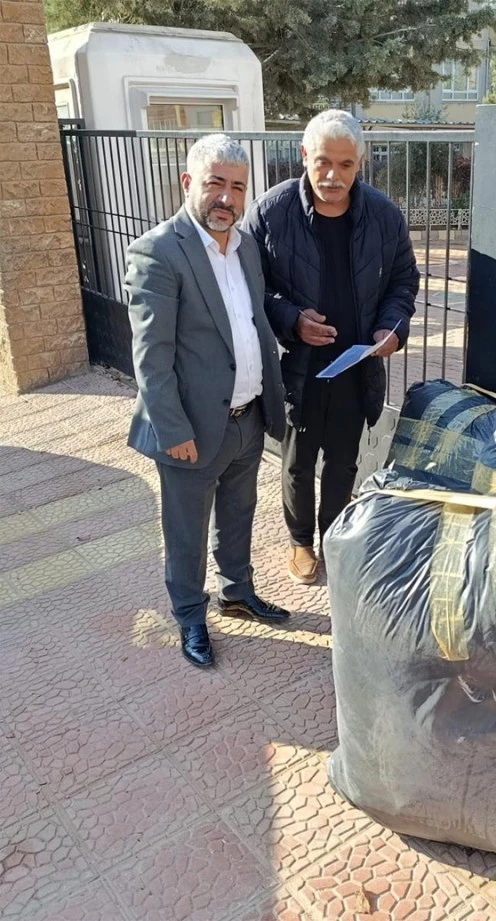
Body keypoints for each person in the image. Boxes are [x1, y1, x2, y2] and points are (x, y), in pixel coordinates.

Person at [125, 134, 291, 669]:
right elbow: (152, 358)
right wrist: (172, 431)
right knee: (186, 531)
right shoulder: (159, 252)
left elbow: (252, 323)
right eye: (216, 183)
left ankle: (237, 592)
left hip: (246, 418)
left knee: (239, 513)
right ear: (188, 183)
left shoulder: (245, 248)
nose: (227, 197)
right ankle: (190, 616)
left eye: (238, 187)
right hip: (191, 430)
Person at [241, 110, 419, 585]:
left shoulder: (383, 216)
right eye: (323, 161)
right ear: (304, 156)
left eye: (345, 164)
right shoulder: (271, 212)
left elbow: (403, 281)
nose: (332, 176)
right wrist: (292, 320)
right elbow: (250, 287)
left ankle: (334, 539)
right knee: (298, 464)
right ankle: (300, 541)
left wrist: (391, 329)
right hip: (296, 368)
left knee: (343, 463)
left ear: (360, 163)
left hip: (356, 367)